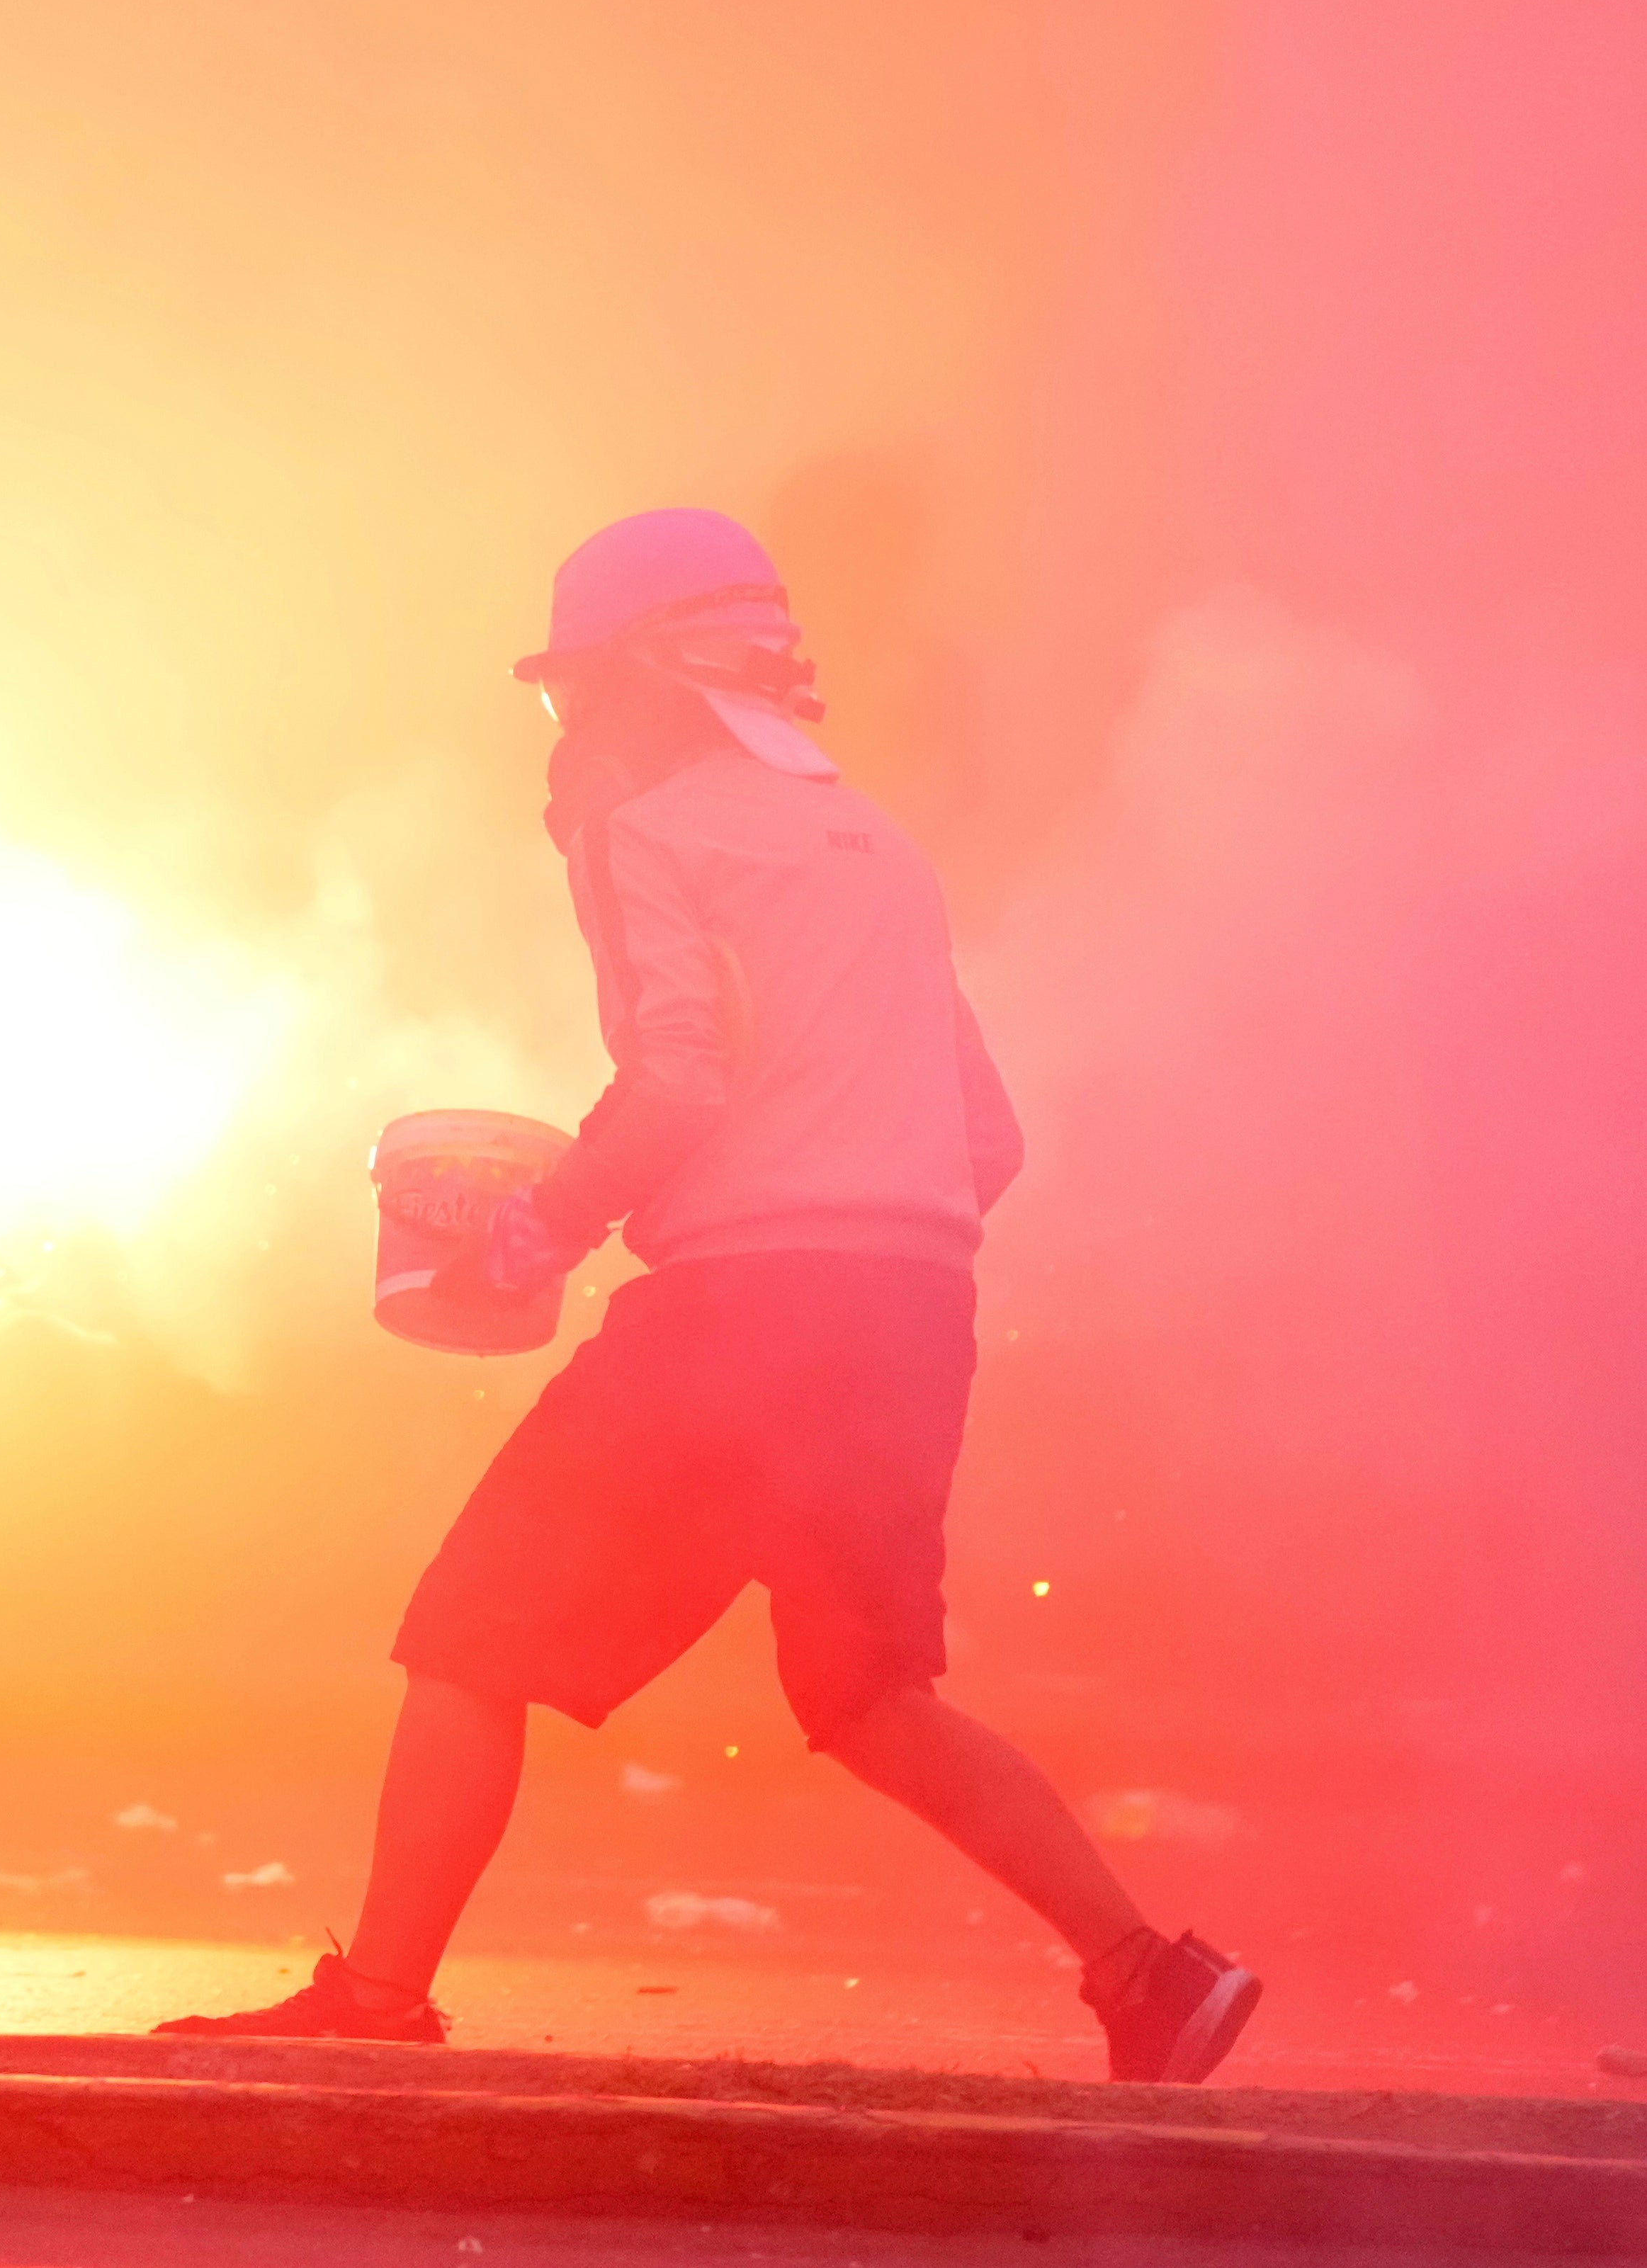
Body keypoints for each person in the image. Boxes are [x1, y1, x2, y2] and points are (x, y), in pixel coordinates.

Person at [157, 509, 1261, 2085]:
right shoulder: (877, 848)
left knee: (471, 1633)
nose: (565, 736)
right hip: (909, 1310)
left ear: (641, 676)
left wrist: (543, 1227)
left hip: (740, 1317)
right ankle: (1147, 1977)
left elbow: (674, 1078)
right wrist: (866, 1245)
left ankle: (381, 1996)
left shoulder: (650, 831)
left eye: (568, 695)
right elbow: (987, 1141)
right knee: (869, 1688)